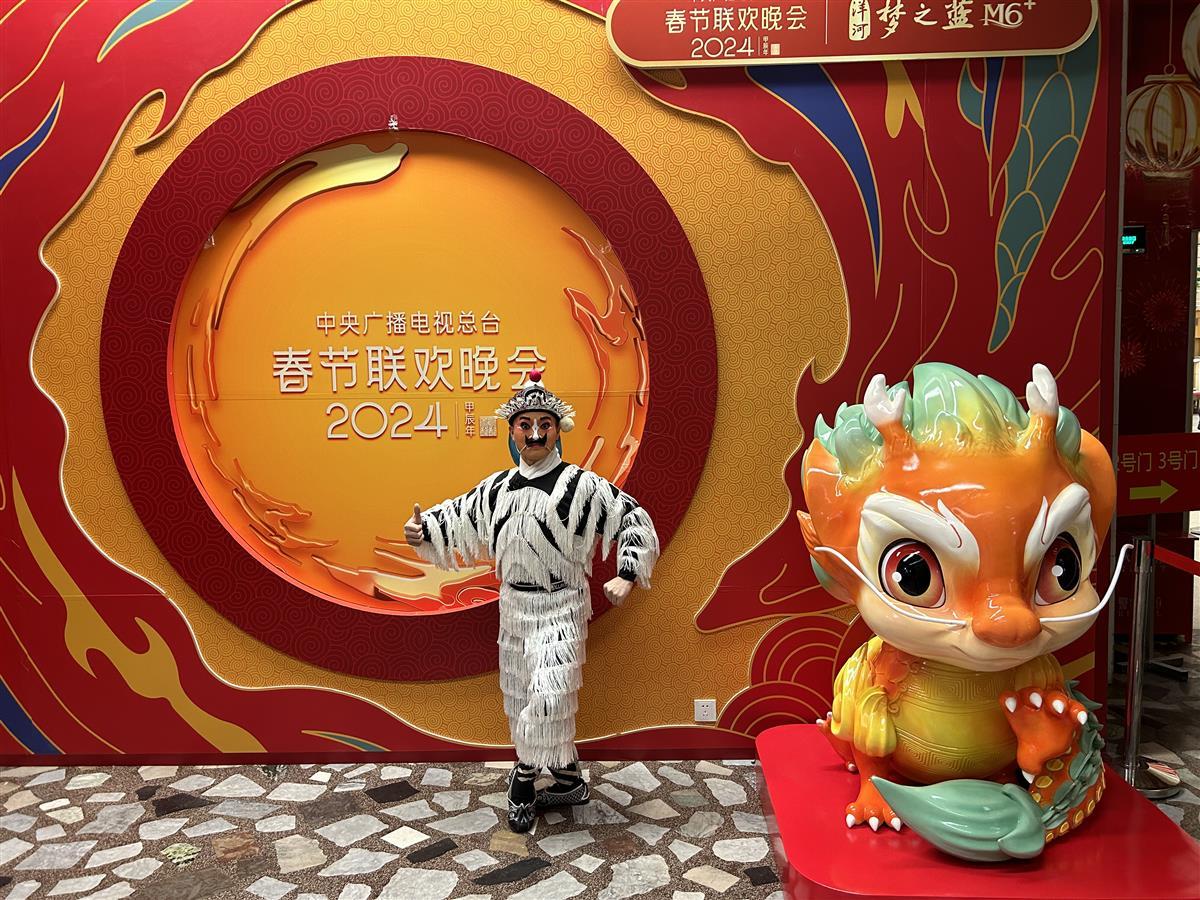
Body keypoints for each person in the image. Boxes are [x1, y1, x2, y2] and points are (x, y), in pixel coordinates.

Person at [404, 371, 659, 832]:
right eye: (526, 425)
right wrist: (422, 531)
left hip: (562, 605)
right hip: (514, 611)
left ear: (558, 430)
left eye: (545, 424)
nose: (536, 433)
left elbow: (634, 519)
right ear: (513, 431)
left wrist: (626, 574)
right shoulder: (497, 489)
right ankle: (568, 779)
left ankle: (522, 780)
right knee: (522, 693)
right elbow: (455, 517)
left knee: (549, 697)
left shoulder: (582, 486)